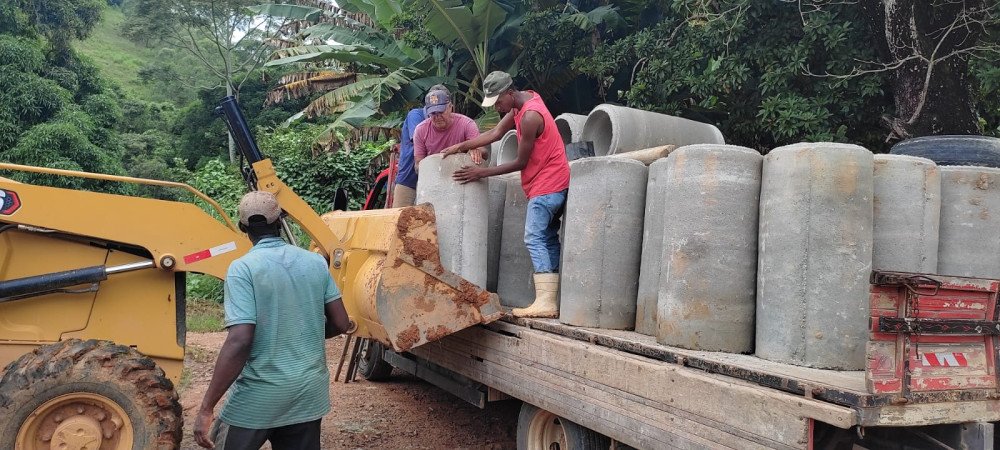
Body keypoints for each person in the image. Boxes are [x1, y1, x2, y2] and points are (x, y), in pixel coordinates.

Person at [194, 191, 353, 450]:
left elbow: (240, 339)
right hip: (307, 392)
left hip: (260, 394)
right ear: (280, 221)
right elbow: (341, 323)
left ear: (242, 227)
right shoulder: (315, 263)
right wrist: (302, 332)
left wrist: (206, 407)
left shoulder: (243, 268)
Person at [443, 71, 570, 319]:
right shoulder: (522, 105)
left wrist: (481, 173)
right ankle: (552, 299)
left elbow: (520, 162)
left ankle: (545, 302)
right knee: (548, 237)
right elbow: (495, 134)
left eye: (498, 102)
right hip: (552, 182)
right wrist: (462, 145)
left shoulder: (530, 117)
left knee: (533, 235)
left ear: (509, 93)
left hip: (548, 184)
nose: (497, 107)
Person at [392, 83, 448, 207]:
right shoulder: (415, 115)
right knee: (400, 221)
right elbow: (421, 142)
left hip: (433, 181)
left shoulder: (452, 122)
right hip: (408, 180)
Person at [413, 89, 487, 172]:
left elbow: (484, 152)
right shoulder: (420, 130)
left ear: (450, 107)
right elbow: (418, 164)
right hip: (434, 174)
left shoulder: (467, 124)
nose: (437, 117)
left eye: (441, 112)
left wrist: (475, 150)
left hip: (462, 172)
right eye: (433, 113)